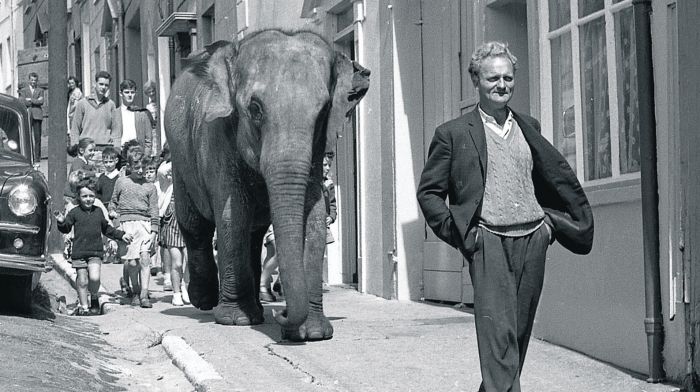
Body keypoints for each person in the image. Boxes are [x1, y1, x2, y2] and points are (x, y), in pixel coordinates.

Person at [416, 41, 594, 392]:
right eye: (493, 78)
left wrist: (546, 227)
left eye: (508, 78)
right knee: (498, 338)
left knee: (518, 334)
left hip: (533, 240)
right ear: (475, 80)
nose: (502, 85)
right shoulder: (453, 134)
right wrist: (464, 235)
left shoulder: (529, 126)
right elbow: (429, 194)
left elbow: (545, 179)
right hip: (490, 243)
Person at [56, 177, 132, 316]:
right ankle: (84, 307)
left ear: (95, 196)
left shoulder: (98, 211)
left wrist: (121, 235)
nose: (88, 199)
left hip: (95, 251)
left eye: (91, 196)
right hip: (79, 252)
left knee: (95, 278)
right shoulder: (74, 212)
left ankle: (95, 296)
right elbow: (66, 228)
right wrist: (61, 221)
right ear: (78, 197)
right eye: (84, 196)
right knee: (83, 280)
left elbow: (107, 229)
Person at [109, 155, 159, 308]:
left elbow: (154, 210)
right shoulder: (121, 182)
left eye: (143, 168)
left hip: (144, 224)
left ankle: (144, 294)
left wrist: (154, 232)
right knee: (132, 262)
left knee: (145, 258)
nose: (141, 171)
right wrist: (114, 218)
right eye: (137, 168)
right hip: (126, 224)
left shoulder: (150, 186)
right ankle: (135, 290)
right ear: (129, 167)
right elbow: (113, 203)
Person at [70, 71, 117, 148]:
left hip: (105, 148)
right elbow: (75, 129)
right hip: (86, 148)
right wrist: (75, 147)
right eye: (101, 84)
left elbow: (115, 129)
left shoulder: (111, 105)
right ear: (95, 84)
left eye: (106, 85)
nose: (103, 87)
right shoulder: (83, 103)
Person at [113, 79, 154, 157]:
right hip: (120, 154)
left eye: (132, 92)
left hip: (138, 154)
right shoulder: (114, 113)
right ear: (121, 94)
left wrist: (146, 156)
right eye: (127, 92)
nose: (130, 95)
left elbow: (148, 140)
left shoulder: (142, 113)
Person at [96, 146, 121, 264]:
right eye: (105, 162)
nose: (108, 164)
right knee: (105, 230)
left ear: (116, 161)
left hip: (116, 207)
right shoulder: (101, 177)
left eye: (110, 161)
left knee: (116, 229)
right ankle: (105, 253)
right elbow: (98, 193)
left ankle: (118, 254)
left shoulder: (120, 177)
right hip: (104, 207)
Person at [18, 72, 44, 161]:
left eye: (35, 80)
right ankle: (29, 156)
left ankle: (37, 157)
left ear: (37, 81)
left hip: (37, 116)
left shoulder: (40, 90)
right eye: (32, 80)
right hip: (28, 114)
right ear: (29, 80)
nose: (33, 82)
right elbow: (22, 101)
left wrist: (30, 100)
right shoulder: (24, 90)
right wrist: (35, 100)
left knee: (37, 138)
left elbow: (41, 102)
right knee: (28, 136)